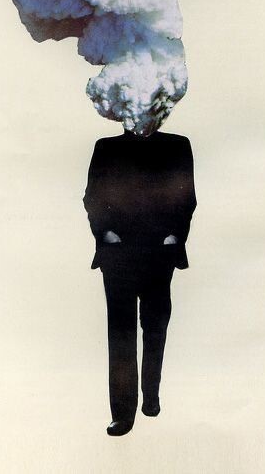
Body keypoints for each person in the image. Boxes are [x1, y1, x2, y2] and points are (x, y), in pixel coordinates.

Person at [83, 128, 197, 436]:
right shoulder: (106, 147)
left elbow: (187, 197)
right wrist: (105, 233)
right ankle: (122, 414)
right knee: (121, 332)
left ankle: (151, 395)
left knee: (155, 325)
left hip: (159, 251)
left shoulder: (176, 145)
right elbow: (92, 197)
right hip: (118, 253)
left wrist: (174, 236)